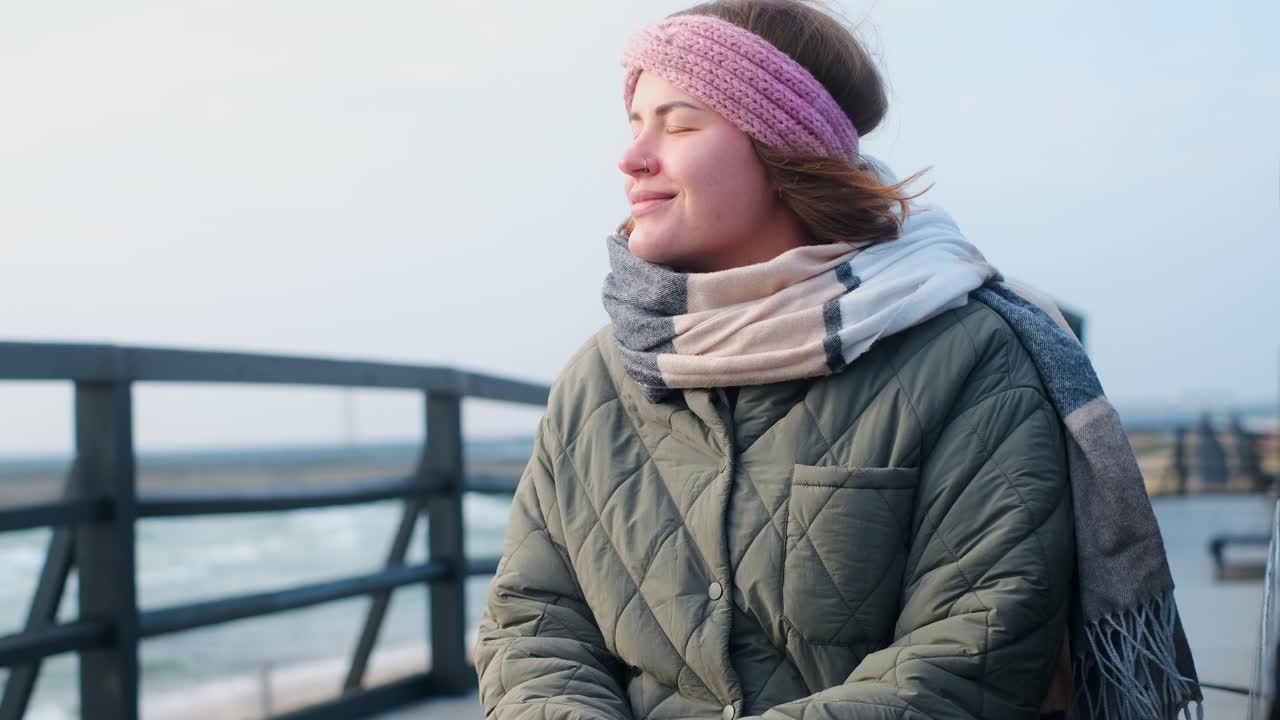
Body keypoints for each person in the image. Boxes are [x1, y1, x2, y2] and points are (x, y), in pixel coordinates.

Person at [475, 2, 1201, 718]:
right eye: (636, 123)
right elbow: (533, 622)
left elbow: (974, 651)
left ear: (785, 148)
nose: (632, 157)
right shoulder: (600, 378)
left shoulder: (967, 356)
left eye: (681, 122)